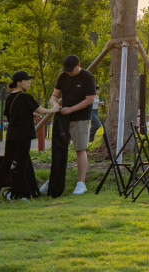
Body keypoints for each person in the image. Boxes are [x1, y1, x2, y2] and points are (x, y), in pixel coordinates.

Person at [0, 71, 60, 201]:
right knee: (20, 165)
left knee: (6, 164)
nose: (29, 82)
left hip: (11, 135)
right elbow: (41, 110)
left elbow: (11, 115)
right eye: (26, 80)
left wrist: (30, 115)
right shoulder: (25, 97)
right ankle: (16, 195)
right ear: (19, 83)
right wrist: (53, 110)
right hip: (23, 135)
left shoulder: (9, 98)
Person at [44, 54, 97, 195]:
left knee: (80, 149)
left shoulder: (87, 77)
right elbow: (54, 95)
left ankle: (81, 183)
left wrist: (71, 109)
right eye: (66, 69)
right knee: (59, 150)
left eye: (70, 69)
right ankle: (54, 180)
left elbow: (90, 99)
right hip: (63, 118)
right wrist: (55, 105)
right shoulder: (63, 76)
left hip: (81, 118)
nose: (68, 72)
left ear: (78, 66)